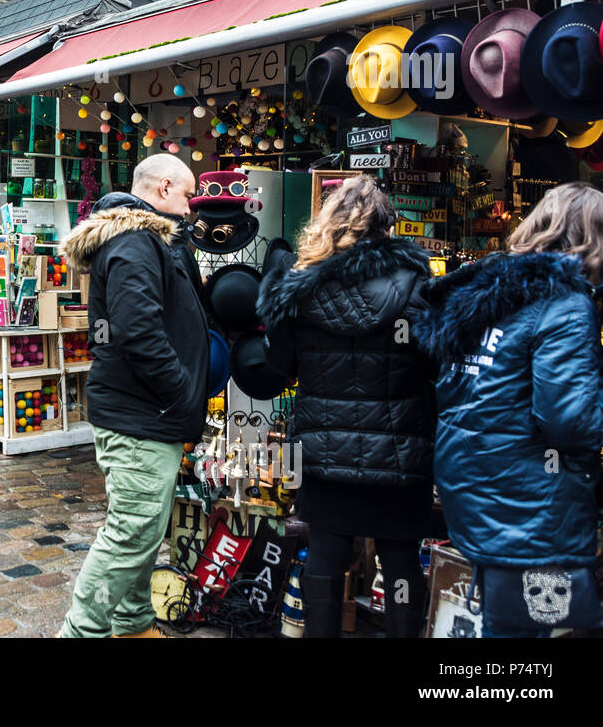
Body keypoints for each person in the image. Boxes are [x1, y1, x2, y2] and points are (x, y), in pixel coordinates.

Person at [418, 182, 603, 638]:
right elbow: (569, 419)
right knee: (540, 624)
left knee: (509, 622)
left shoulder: (486, 292)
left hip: (477, 484)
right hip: (531, 501)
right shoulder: (565, 304)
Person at [256, 174, 434, 638]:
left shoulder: (300, 287)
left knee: (325, 560)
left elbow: (282, 366)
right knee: (400, 563)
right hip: (400, 452)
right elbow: (433, 361)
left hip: (324, 450)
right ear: (387, 227)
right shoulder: (416, 283)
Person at [56, 153, 208, 638]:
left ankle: (134, 624)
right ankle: (81, 632)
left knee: (142, 530)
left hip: (145, 411)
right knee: (132, 532)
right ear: (164, 188)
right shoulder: (136, 241)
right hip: (141, 412)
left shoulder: (143, 239)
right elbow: (136, 330)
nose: (191, 209)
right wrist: (182, 392)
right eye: (187, 196)